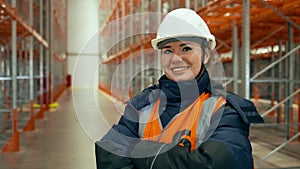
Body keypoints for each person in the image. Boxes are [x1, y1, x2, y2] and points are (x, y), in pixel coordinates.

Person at [95, 8, 264, 169]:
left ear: (205, 55)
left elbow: (214, 164)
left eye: (186, 49)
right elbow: (108, 151)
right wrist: (178, 157)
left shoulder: (226, 110)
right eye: (168, 51)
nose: (176, 58)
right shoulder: (142, 106)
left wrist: (137, 151)